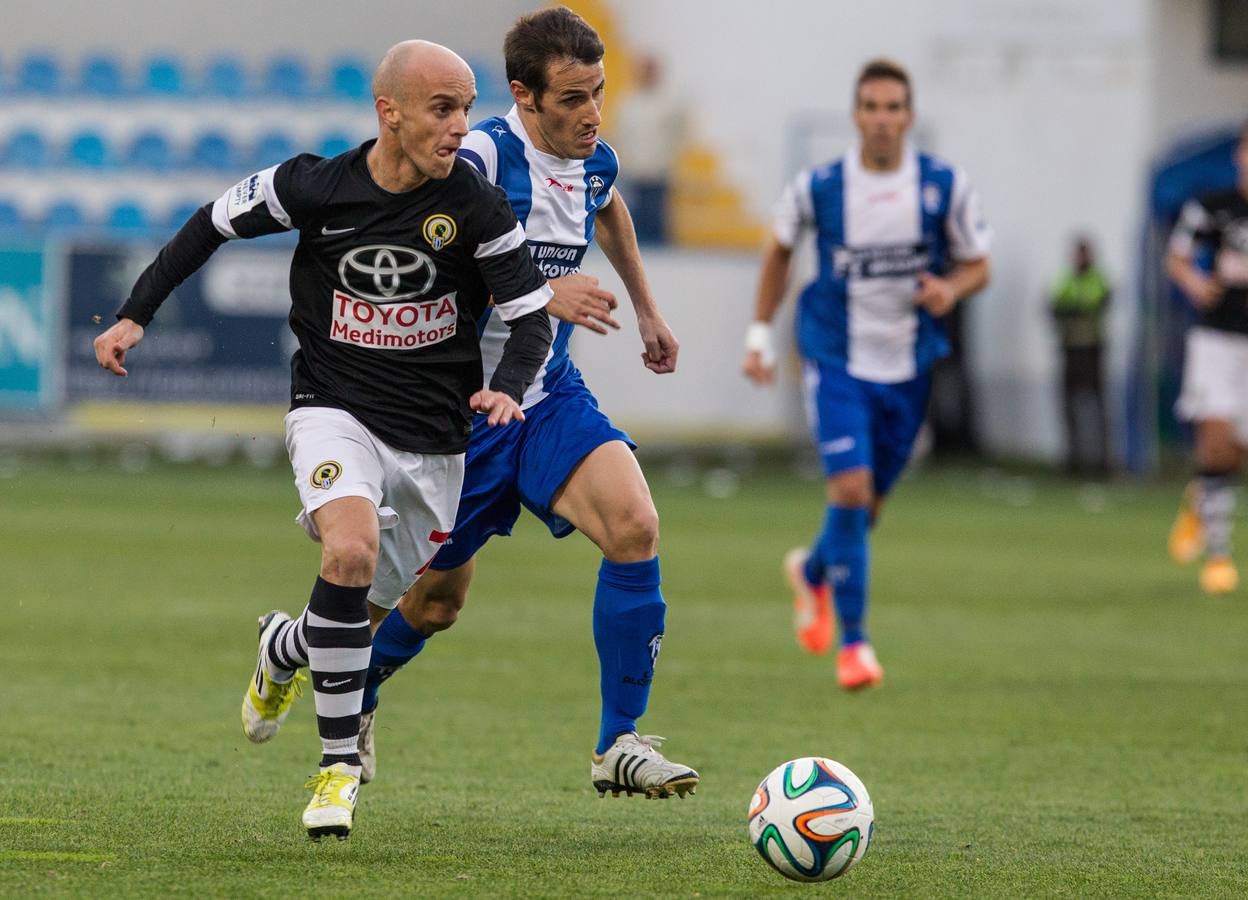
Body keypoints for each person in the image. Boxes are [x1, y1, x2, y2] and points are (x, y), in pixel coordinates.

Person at [93, 40, 555, 841]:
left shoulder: (476, 205)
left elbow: (532, 317)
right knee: (344, 555)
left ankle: (284, 646)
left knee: (358, 614)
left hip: (434, 441)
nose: (460, 127)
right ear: (391, 111)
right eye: (443, 109)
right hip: (331, 407)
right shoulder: (314, 184)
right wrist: (137, 312)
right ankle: (338, 772)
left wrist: (506, 389)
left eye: (467, 109)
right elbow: (211, 223)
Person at [350, 6, 698, 800]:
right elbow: (426, 264)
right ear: (524, 96)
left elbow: (606, 202)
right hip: (454, 413)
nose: (591, 115)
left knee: (635, 525)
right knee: (435, 602)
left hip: (544, 395)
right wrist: (544, 291)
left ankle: (619, 743)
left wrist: (645, 308)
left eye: (598, 94)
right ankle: (356, 696)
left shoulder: (593, 159)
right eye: (572, 99)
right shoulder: (472, 159)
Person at [742, 58, 991, 689]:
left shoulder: (943, 186)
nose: (882, 119)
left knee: (866, 509)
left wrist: (951, 290)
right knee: (849, 492)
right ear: (857, 116)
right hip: (835, 356)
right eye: (872, 107)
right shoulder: (820, 186)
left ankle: (814, 571)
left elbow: (978, 264)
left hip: (909, 366)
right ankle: (855, 647)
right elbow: (778, 250)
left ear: (909, 117)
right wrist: (760, 336)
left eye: (893, 108)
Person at [1165, 123, 1248, 595]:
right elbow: (1177, 257)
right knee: (1214, 437)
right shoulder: (1214, 207)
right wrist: (1196, 285)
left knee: (1235, 449)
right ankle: (1219, 556)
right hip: (1216, 337)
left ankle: (1200, 497)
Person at [610, 53, 688, 244]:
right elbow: (620, 135)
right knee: (632, 224)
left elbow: (680, 133)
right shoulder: (627, 103)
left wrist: (667, 157)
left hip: (658, 172)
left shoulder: (669, 103)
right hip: (632, 173)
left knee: (656, 221)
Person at [1050, 236, 1112, 477]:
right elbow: (1054, 307)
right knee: (1068, 405)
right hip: (1070, 350)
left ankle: (1100, 461)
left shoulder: (1098, 279)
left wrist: (1074, 311)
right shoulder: (1066, 279)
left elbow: (1100, 303)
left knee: (1097, 405)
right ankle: (1073, 458)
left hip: (1092, 349)